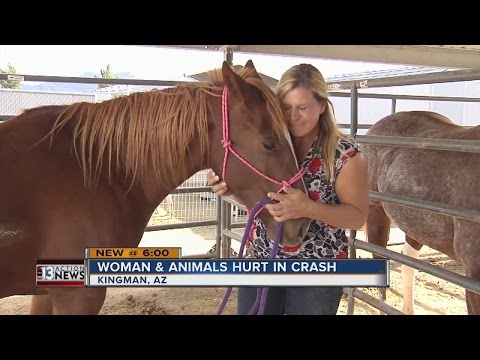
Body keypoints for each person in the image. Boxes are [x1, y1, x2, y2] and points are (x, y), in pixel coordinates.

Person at [207, 63, 369, 315]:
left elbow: (357, 217)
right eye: (286, 107)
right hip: (262, 257)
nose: (293, 116)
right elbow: (261, 195)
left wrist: (310, 208)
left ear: (322, 106)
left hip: (318, 269)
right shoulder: (268, 143)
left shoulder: (344, 154)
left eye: (303, 107)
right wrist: (229, 189)